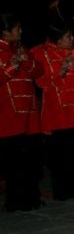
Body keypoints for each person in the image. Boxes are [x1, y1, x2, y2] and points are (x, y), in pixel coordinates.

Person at [31, 25, 74, 200]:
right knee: (59, 152)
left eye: (71, 36)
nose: (71, 40)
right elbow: (41, 82)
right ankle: (62, 191)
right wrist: (61, 72)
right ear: (56, 39)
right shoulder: (40, 52)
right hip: (56, 109)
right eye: (67, 37)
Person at [0, 13, 43, 211]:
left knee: (31, 158)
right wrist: (11, 67)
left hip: (29, 112)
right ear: (5, 32)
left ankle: (32, 197)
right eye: (17, 29)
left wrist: (26, 61)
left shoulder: (22, 49)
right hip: (9, 113)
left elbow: (38, 71)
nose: (21, 32)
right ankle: (15, 201)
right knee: (14, 160)